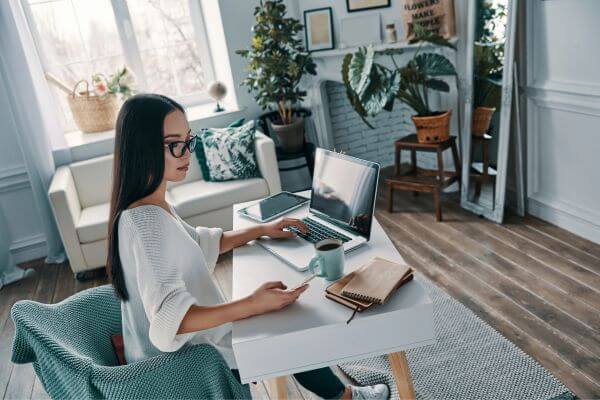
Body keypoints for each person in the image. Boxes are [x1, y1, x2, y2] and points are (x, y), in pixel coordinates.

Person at [105, 94, 389, 400]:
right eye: (176, 145)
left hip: (194, 350)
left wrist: (261, 230)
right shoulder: (145, 224)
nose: (187, 153)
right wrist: (252, 304)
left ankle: (341, 395)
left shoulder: (150, 208)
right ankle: (347, 397)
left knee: (278, 316)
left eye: (189, 141)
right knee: (287, 329)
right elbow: (171, 322)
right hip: (189, 369)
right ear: (142, 147)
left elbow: (198, 244)